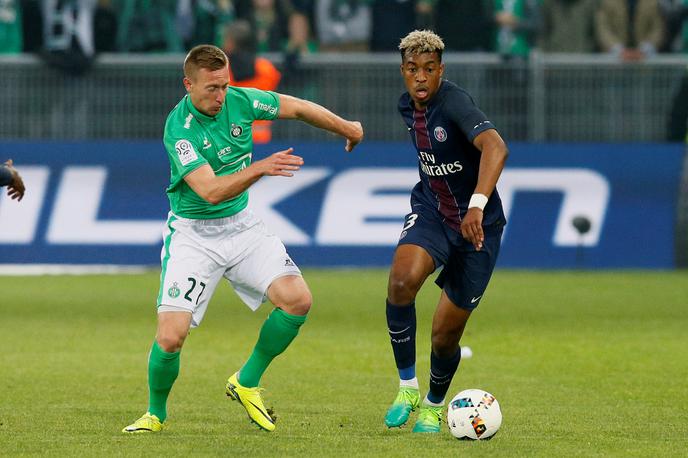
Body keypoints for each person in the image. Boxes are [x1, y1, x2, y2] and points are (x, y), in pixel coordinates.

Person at [122, 44, 362, 434]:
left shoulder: (241, 101)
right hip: (194, 236)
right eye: (211, 89)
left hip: (242, 227)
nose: (220, 96)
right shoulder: (179, 129)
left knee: (298, 300)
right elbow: (212, 191)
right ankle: (155, 414)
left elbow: (298, 107)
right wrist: (262, 168)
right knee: (171, 337)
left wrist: (347, 128)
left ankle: (246, 381)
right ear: (188, 85)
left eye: (224, 85)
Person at [383, 30, 508, 433]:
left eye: (429, 70)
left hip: (478, 228)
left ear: (442, 71)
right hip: (434, 212)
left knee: (444, 336)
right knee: (401, 282)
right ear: (403, 71)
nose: (420, 78)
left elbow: (495, 147)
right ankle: (407, 388)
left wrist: (476, 205)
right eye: (412, 69)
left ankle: (435, 405)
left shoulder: (454, 101)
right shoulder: (407, 107)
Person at [223, 19, 282, 143]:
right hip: (262, 138)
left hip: (233, 140)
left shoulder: (223, 71)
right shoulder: (266, 68)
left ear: (231, 43)